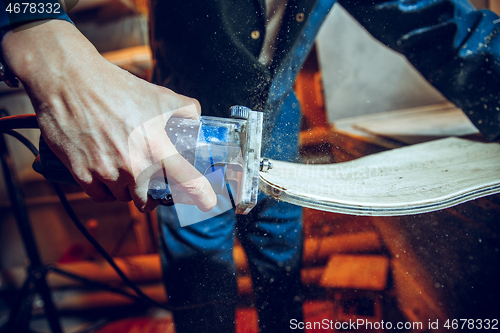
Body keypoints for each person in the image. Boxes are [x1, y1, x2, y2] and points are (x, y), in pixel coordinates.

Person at [1, 0, 499, 332]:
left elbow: (442, 26)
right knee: (204, 280)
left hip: (277, 138)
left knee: (282, 266)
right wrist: (37, 34)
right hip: (194, 141)